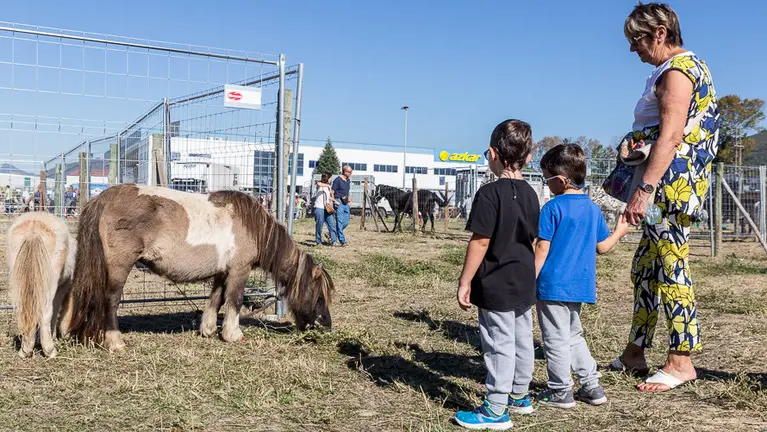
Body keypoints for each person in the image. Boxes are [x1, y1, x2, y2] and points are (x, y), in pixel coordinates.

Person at [610, 2, 720, 392]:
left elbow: (673, 136)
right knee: (646, 268)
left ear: (659, 33)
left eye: (635, 39)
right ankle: (634, 351)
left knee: (672, 268)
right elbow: (663, 131)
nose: (632, 49)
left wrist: (643, 190)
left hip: (669, 191)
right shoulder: (673, 70)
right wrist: (633, 144)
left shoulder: (678, 71)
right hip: (665, 188)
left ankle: (680, 360)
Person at [453, 119, 538, 430]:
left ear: (492, 154)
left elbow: (481, 240)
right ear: (528, 158)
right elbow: (533, 237)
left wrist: (465, 281)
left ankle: (495, 409)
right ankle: (520, 394)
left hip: (496, 282)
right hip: (524, 278)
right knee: (521, 338)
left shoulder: (489, 193)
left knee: (498, 342)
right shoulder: (532, 193)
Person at [534, 144, 629, 408]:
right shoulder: (592, 209)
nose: (547, 184)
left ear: (561, 180)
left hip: (552, 285)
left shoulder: (552, 208)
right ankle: (592, 387)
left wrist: (529, 279)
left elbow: (542, 248)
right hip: (579, 286)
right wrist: (620, 232)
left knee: (554, 339)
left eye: (547, 179)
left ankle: (560, 391)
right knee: (574, 336)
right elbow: (603, 248)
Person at [328, 165, 353, 247]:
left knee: (346, 222)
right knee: (340, 221)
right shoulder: (338, 180)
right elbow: (332, 191)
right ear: (345, 172)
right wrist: (334, 201)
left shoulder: (348, 181)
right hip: (338, 201)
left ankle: (331, 233)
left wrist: (349, 201)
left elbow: (347, 191)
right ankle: (342, 241)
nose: (351, 173)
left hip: (346, 202)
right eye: (349, 172)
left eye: (351, 172)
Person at [312, 173, 337, 246]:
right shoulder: (320, 186)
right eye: (330, 178)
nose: (331, 180)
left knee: (331, 224)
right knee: (319, 225)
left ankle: (334, 241)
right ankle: (318, 241)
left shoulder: (328, 188)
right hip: (319, 208)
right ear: (327, 179)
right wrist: (327, 185)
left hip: (327, 208)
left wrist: (334, 201)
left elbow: (327, 197)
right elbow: (318, 183)